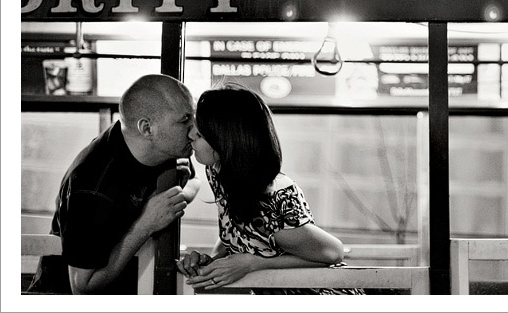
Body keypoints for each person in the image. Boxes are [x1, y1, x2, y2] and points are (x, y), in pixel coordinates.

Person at [176, 84, 363, 295]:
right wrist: (212, 261)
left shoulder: (269, 198)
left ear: (225, 142)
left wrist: (252, 263)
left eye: (199, 134)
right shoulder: (218, 173)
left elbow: (332, 253)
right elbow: (237, 233)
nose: (190, 135)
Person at [27, 74, 201, 295]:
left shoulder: (165, 148)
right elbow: (82, 286)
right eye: (185, 119)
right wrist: (146, 223)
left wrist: (174, 197)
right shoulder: (92, 187)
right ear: (147, 129)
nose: (195, 129)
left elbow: (193, 181)